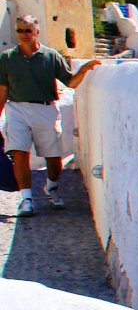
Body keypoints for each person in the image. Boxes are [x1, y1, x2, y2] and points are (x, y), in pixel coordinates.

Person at [0, 14, 99, 216]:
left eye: (28, 30)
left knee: (53, 157)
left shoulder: (51, 56)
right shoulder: (7, 58)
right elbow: (2, 90)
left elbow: (70, 82)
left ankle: (51, 187)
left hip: (45, 109)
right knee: (19, 153)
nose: (23, 34)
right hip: (16, 109)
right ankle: (27, 200)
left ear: (37, 32)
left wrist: (86, 70)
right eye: (19, 30)